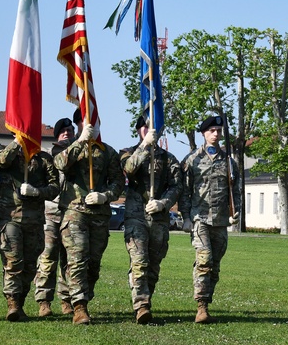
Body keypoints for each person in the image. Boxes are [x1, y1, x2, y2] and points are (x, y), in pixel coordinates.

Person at [54, 119, 125, 325]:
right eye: (85, 124)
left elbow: (118, 181)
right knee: (77, 260)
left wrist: (106, 196)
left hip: (100, 214)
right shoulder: (67, 147)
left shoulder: (107, 151)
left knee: (93, 264)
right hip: (74, 211)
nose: (92, 127)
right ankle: (79, 306)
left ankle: (83, 296)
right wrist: (80, 141)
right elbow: (60, 164)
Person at [120, 116, 183, 325]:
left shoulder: (169, 159)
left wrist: (163, 203)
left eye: (153, 127)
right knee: (139, 261)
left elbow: (176, 187)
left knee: (154, 265)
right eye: (146, 126)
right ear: (139, 129)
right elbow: (129, 168)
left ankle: (147, 299)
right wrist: (145, 146)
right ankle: (141, 306)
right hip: (136, 217)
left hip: (159, 218)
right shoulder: (128, 152)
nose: (150, 129)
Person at [180, 115, 242, 323]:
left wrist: (236, 212)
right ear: (203, 134)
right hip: (200, 218)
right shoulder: (192, 160)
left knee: (214, 265)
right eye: (212, 131)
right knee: (204, 260)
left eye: (218, 131)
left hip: (221, 220)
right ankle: (201, 306)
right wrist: (186, 216)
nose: (216, 134)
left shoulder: (229, 161)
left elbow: (237, 190)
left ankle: (207, 298)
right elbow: (184, 190)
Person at [0, 136, 59, 321]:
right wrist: (17, 142)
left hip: (35, 220)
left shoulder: (43, 159)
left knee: (30, 265)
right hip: (10, 218)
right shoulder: (3, 151)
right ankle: (12, 304)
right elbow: (2, 161)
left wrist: (38, 192)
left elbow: (55, 187)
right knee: (13, 262)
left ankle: (20, 302)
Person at [33, 117, 75, 316]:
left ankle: (66, 300)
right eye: (62, 131)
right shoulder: (46, 156)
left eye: (70, 130)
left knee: (69, 259)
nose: (66, 133)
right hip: (50, 213)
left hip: (72, 213)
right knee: (48, 256)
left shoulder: (79, 155)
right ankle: (44, 301)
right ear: (56, 135)